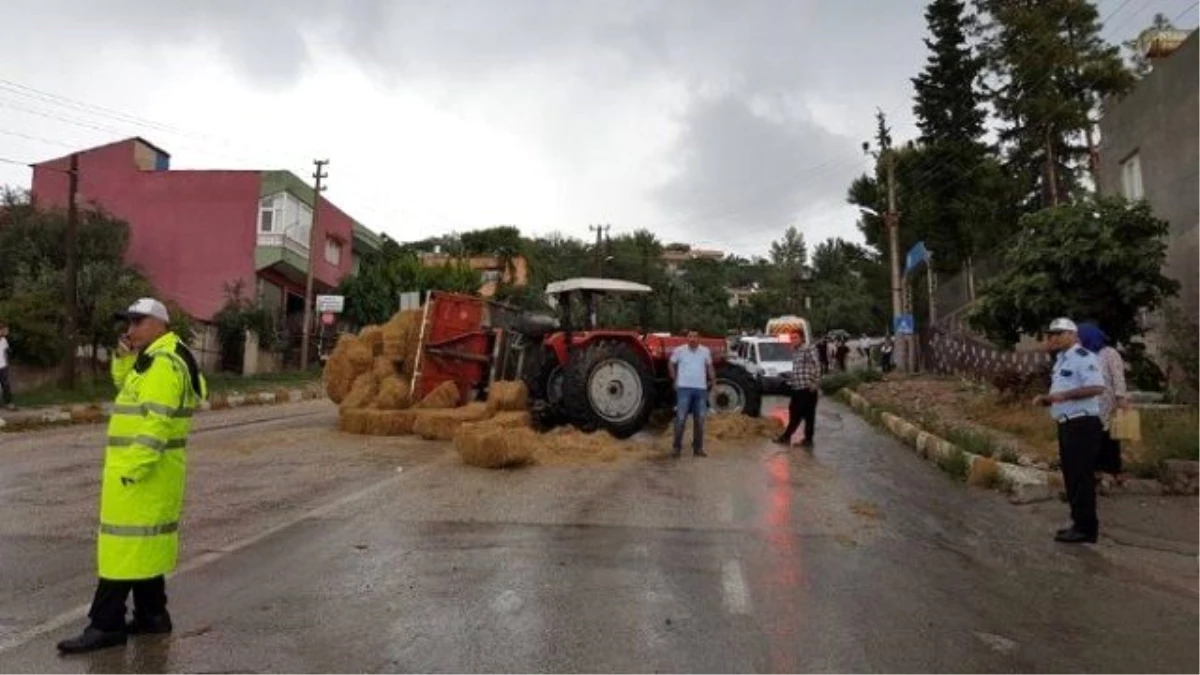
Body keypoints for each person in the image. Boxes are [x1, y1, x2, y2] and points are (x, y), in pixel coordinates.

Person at [57, 298, 207, 654]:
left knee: (121, 548)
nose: (130, 330)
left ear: (159, 324)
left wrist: (131, 470)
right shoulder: (154, 359)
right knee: (144, 545)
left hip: (142, 475)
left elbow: (157, 422)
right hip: (150, 476)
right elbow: (126, 388)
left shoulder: (164, 365)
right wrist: (124, 358)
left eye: (138, 323)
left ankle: (105, 625)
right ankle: (152, 616)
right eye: (128, 323)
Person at [1033, 318, 1106, 545]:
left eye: (1058, 333)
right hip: (1067, 423)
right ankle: (1077, 522)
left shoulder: (1084, 357)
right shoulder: (1062, 360)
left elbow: (1096, 387)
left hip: (1082, 424)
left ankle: (1087, 528)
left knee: (1081, 477)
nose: (1052, 338)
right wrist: (1048, 400)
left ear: (1072, 335)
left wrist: (1063, 396)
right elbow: (1061, 391)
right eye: (1051, 334)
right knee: (1071, 476)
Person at [1077, 322, 1130, 481]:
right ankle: (1092, 468)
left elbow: (1118, 376)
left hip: (1106, 400)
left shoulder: (1109, 353)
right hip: (1086, 401)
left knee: (1107, 434)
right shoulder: (1081, 354)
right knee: (1088, 435)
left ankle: (1111, 468)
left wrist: (1121, 397)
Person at [668, 329, 715, 458]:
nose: (692, 339)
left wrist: (714, 381)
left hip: (700, 389)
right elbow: (671, 364)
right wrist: (674, 378)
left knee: (700, 420)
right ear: (686, 338)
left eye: (695, 336)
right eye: (690, 336)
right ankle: (676, 448)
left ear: (699, 338)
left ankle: (698, 448)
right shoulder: (679, 350)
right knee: (681, 419)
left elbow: (710, 367)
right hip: (684, 388)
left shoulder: (705, 351)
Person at [775, 327, 820, 449]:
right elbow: (797, 370)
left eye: (795, 337)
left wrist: (814, 383)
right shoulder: (794, 351)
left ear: (802, 338)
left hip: (807, 388)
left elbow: (816, 366)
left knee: (801, 414)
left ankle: (788, 437)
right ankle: (804, 439)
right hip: (797, 388)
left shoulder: (808, 349)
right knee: (799, 413)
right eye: (791, 338)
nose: (793, 340)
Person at [0, 322, 14, 410]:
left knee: (6, 385)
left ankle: (8, 403)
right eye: (4, 330)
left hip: (3, 366)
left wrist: (7, 364)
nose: (6, 332)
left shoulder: (4, 340)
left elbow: (5, 352)